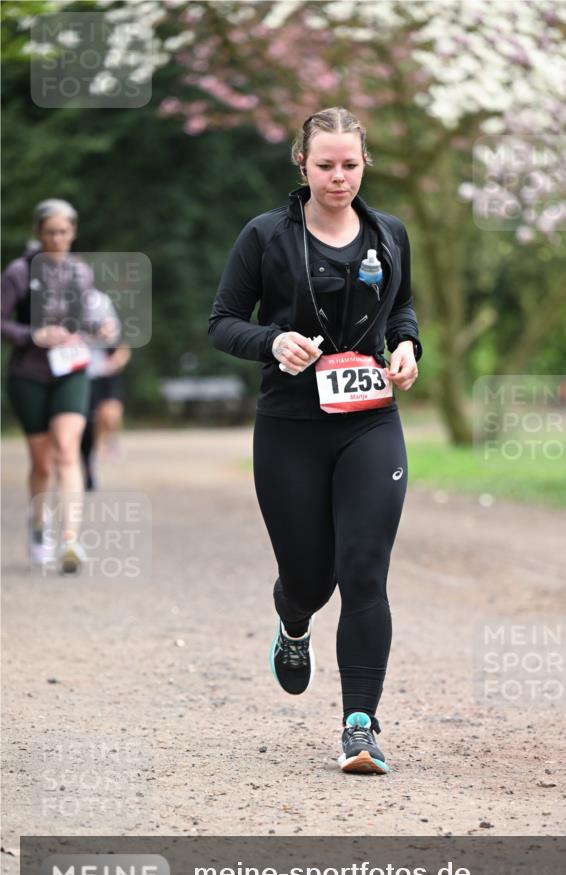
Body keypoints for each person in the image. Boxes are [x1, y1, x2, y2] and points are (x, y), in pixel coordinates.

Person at [209, 108, 421, 774]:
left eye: (350, 165)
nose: (338, 178)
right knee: (310, 578)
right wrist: (271, 341)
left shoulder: (388, 234)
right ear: (300, 162)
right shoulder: (266, 235)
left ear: (365, 164)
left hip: (369, 422)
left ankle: (359, 727)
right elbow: (221, 323)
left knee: (363, 570)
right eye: (325, 164)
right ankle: (293, 620)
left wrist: (409, 346)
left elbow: (402, 308)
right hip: (290, 427)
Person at [1, 199, 117, 572]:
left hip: (71, 370)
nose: (57, 238)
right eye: (50, 232)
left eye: (64, 232)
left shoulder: (79, 273)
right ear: (39, 233)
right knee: (42, 462)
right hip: (29, 375)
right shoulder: (19, 272)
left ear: (73, 233)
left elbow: (85, 319)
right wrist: (34, 335)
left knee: (67, 449)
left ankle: (70, 541)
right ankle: (38, 526)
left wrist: (100, 329)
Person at [80, 290, 130, 491]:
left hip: (105, 373)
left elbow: (122, 345)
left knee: (110, 412)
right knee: (87, 424)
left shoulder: (101, 305)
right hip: (80, 373)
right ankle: (89, 460)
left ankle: (108, 443)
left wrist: (118, 360)